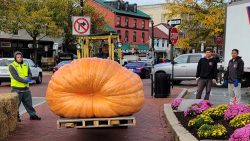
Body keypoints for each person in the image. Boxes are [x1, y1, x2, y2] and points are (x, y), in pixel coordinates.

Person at [9, 51, 41, 122]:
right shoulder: (12, 65)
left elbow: (29, 74)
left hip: (26, 88)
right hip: (16, 89)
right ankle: (16, 117)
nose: (19, 58)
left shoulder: (26, 64)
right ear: (15, 58)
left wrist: (28, 79)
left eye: (20, 57)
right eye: (18, 57)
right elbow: (16, 77)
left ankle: (32, 115)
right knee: (16, 105)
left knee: (29, 103)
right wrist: (26, 81)